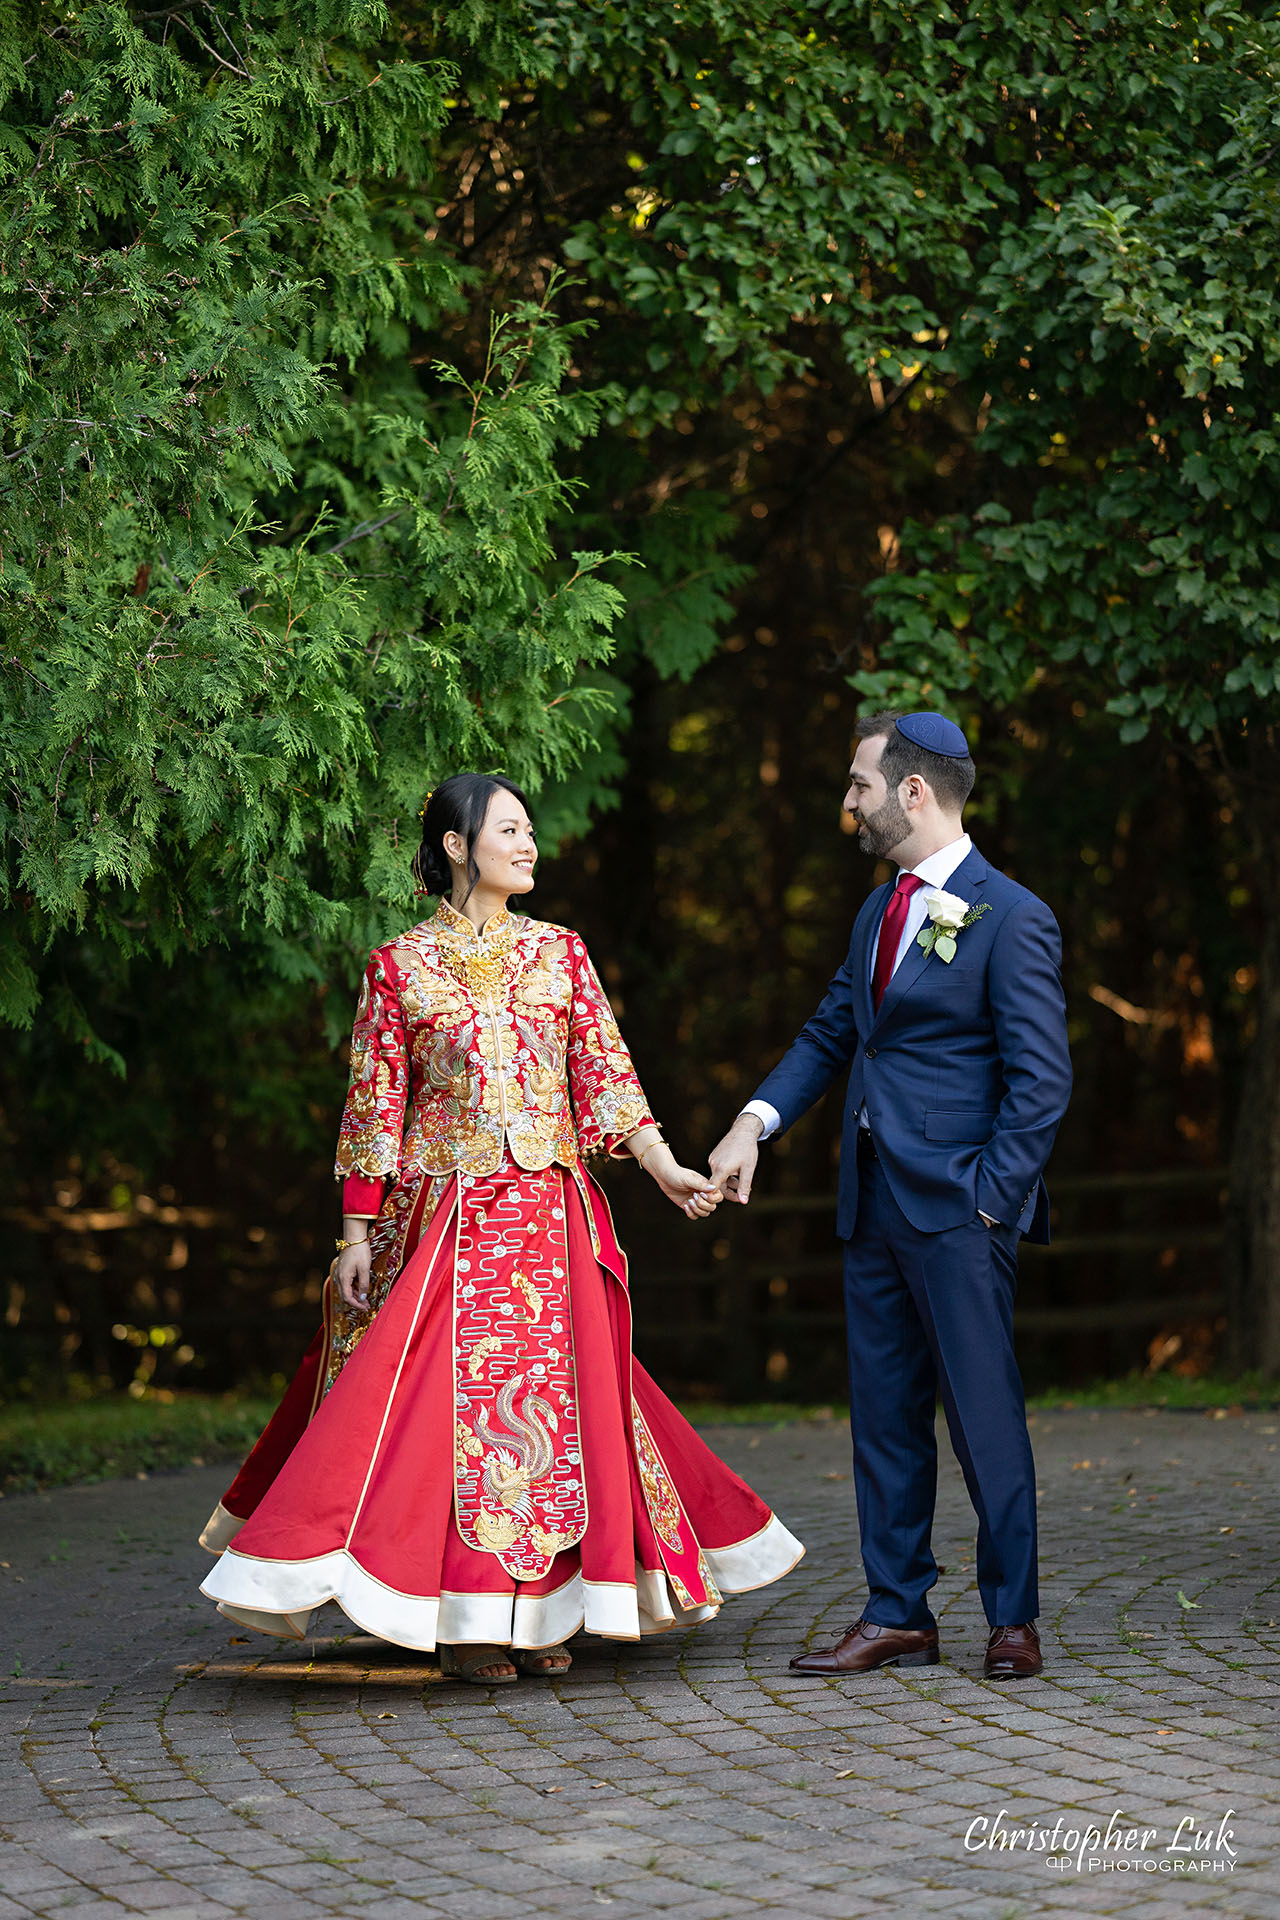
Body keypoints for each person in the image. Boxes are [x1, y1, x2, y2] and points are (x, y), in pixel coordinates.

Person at [199, 773, 803, 1682]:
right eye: (509, 829)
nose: (529, 844)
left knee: (562, 1416)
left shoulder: (562, 955)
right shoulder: (398, 967)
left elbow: (606, 1077)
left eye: (530, 830)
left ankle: (544, 1613)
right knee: (443, 1416)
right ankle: (468, 1623)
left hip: (550, 1218)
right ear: (455, 845)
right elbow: (374, 1111)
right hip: (444, 1219)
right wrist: (356, 1234)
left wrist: (665, 1166)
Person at [709, 712, 1071, 1681]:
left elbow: (1040, 1084)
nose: (846, 804)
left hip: (957, 1211)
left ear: (912, 792)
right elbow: (832, 1032)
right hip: (868, 1204)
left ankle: (1011, 1619)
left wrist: (987, 1203)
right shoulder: (877, 912)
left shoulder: (1010, 915)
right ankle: (896, 1609)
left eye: (858, 785)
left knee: (981, 1417)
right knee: (881, 1418)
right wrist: (753, 1123)